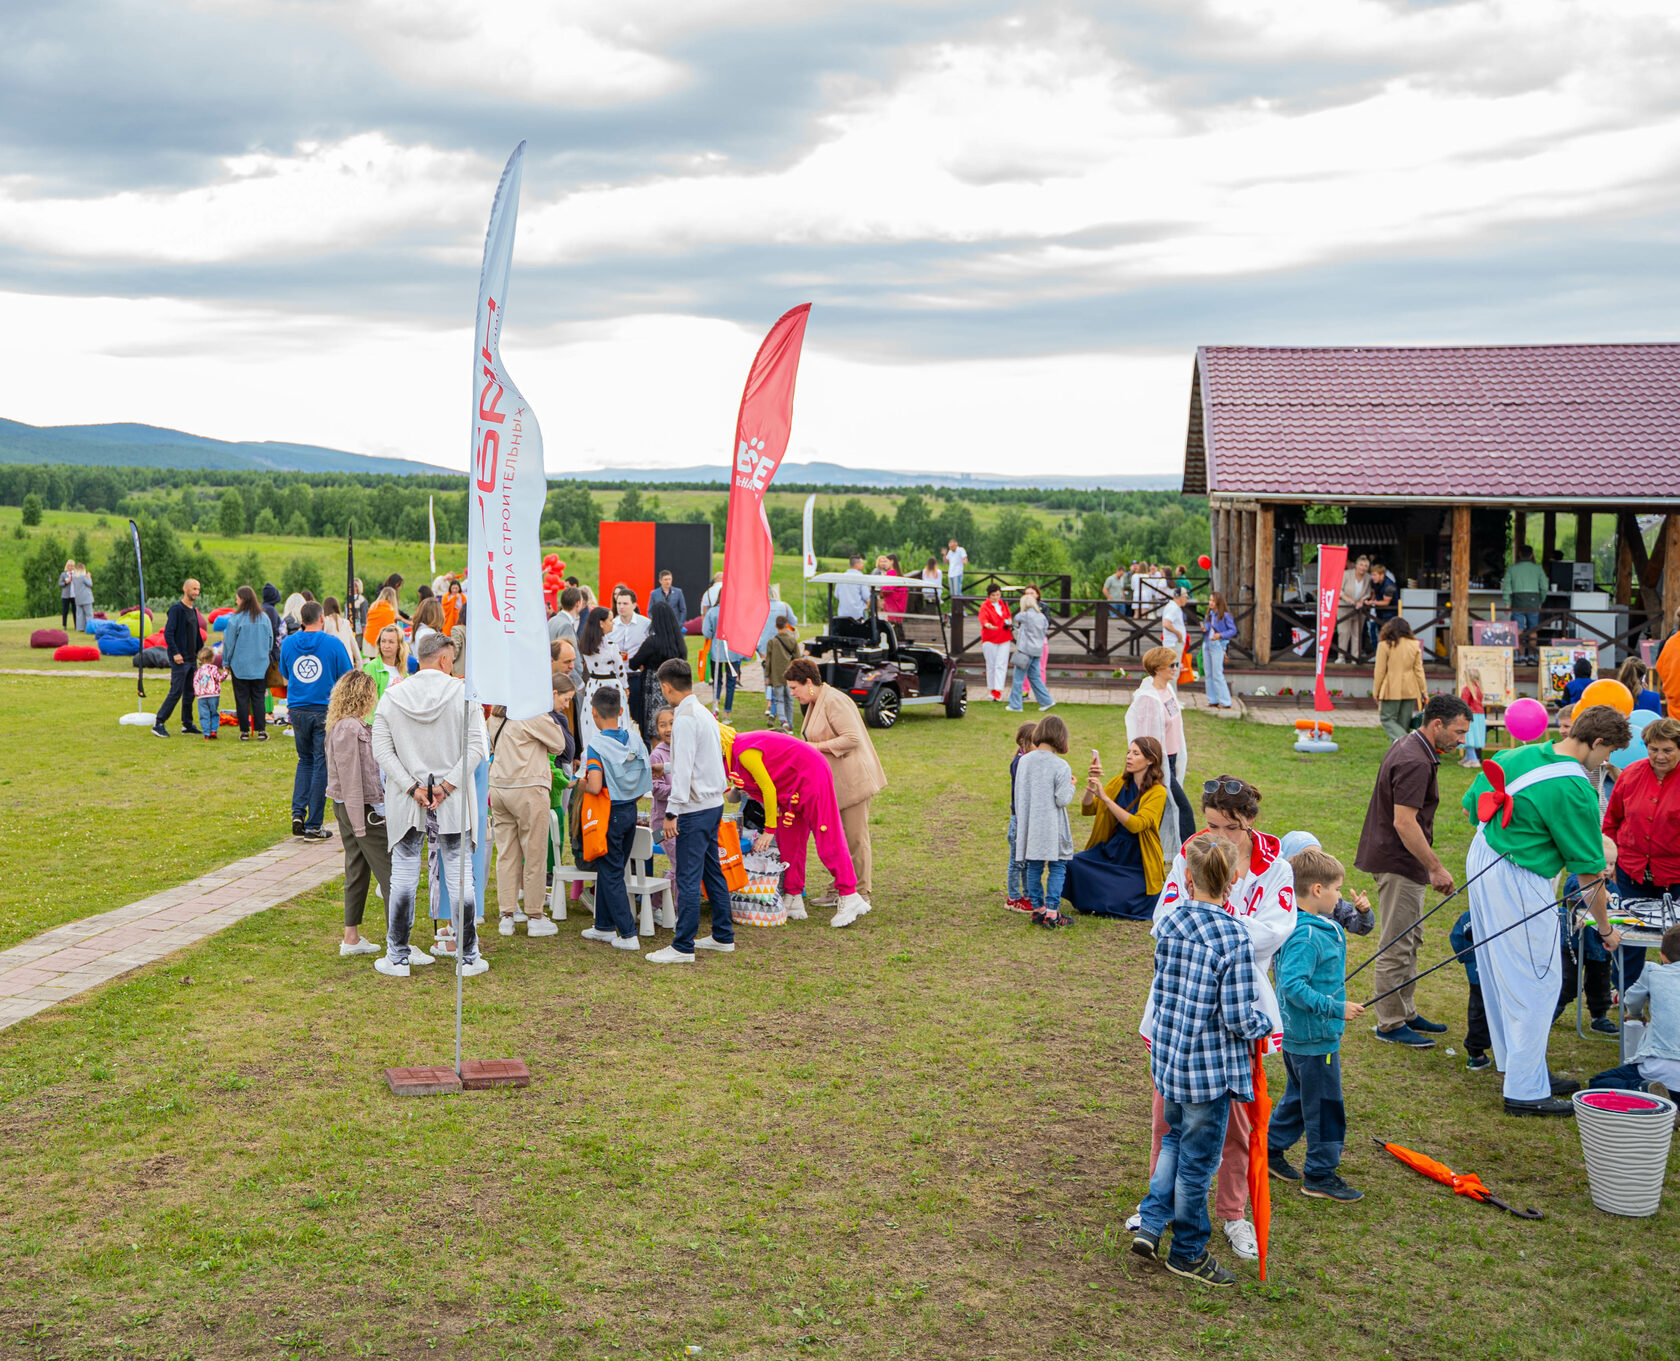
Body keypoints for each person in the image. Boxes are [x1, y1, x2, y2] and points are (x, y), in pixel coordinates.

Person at [1130, 775, 1295, 1263]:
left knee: (1238, 1126)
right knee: (1168, 1119)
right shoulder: (1193, 851)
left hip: (1237, 1011)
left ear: (1249, 822)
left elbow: (1272, 934)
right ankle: (1157, 1212)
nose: (1217, 836)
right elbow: (1161, 921)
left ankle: (1232, 1212)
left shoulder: (1276, 868)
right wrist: (1220, 920)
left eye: (1228, 826)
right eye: (1211, 825)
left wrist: (1207, 916)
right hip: (1182, 1011)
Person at [1462, 704, 1631, 1115]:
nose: (1605, 762)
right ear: (1596, 742)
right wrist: (1606, 929)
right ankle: (1524, 1090)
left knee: (1501, 968)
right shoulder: (1575, 787)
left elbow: (1472, 806)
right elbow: (1591, 874)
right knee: (1537, 979)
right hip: (1518, 875)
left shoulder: (1521, 753)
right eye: (1606, 753)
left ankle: (1525, 1065)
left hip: (1483, 856)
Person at [370, 630, 489, 978]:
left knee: (405, 876)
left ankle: (398, 955)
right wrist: (449, 784)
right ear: (445, 659)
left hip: (411, 797)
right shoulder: (464, 696)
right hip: (448, 798)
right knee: (458, 876)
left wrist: (411, 787)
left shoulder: (392, 697)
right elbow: (478, 748)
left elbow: (382, 750)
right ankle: (467, 956)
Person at [1354, 692, 1471, 1048]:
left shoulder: (1412, 744)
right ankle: (1389, 1022)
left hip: (1401, 860)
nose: (1462, 739)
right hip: (1399, 862)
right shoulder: (1415, 760)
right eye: (1458, 731)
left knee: (1411, 939)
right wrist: (1435, 868)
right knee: (1396, 943)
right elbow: (1405, 823)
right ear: (1437, 725)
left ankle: (1405, 1011)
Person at [1268, 847, 1366, 1202]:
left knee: (1298, 1097)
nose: (1341, 896)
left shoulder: (1307, 925)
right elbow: (1292, 985)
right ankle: (1320, 1174)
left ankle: (1270, 1148)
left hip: (1300, 1038)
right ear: (1318, 891)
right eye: (1338, 889)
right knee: (1325, 1107)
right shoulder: (1306, 936)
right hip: (1313, 1039)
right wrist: (1334, 1008)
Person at [724, 725, 873, 928]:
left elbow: (767, 788)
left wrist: (769, 829)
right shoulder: (727, 759)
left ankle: (849, 893)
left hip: (810, 775)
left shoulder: (744, 751)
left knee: (826, 834)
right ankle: (793, 895)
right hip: (788, 788)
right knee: (789, 841)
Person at [649, 658, 734, 964]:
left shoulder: (684, 719)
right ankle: (723, 935)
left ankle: (683, 945)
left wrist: (672, 813)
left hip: (694, 809)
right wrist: (666, 766)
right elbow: (699, 759)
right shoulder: (704, 713)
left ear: (666, 686)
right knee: (712, 871)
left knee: (687, 875)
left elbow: (684, 772)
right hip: (713, 804)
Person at [788, 656, 887, 906]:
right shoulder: (816, 700)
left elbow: (852, 738)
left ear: (808, 682)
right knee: (838, 839)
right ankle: (840, 887)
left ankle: (861, 891)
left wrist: (815, 747)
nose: (792, 694)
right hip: (836, 784)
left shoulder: (834, 701)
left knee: (855, 838)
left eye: (794, 688)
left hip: (853, 781)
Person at [1601, 714, 1680, 988]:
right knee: (1628, 939)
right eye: (1653, 749)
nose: (1660, 756)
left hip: (1675, 876)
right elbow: (1611, 821)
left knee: (1677, 941)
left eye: (1667, 750)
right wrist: (1609, 863)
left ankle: (1672, 992)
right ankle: (1624, 992)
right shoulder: (1631, 775)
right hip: (1631, 872)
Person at [487, 694, 570, 940]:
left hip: (500, 787)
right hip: (529, 786)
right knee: (534, 853)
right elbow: (559, 743)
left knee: (506, 854)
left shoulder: (495, 715)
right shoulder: (531, 714)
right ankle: (534, 915)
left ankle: (507, 915)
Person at [578, 685, 653, 952]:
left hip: (608, 812)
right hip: (631, 810)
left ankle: (628, 933)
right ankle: (603, 926)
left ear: (594, 714)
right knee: (614, 868)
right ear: (621, 711)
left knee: (609, 873)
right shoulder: (635, 739)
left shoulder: (596, 746)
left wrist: (579, 784)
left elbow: (596, 786)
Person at [323, 669, 390, 959]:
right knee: (392, 873)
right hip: (360, 808)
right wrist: (361, 824)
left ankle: (351, 938)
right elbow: (351, 777)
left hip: (352, 806)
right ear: (363, 695)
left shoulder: (345, 725)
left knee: (357, 870)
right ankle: (399, 940)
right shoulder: (349, 729)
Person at [1063, 737, 1167, 920]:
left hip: (1138, 857)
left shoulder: (1158, 792)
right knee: (1072, 863)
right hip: (1113, 849)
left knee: (1128, 892)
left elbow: (1137, 825)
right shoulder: (1119, 782)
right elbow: (1088, 809)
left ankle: (1107, 897)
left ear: (1151, 760)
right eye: (1128, 752)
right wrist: (1091, 785)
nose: (1129, 757)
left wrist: (1106, 799)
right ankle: (1103, 897)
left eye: (1136, 754)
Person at [282, 601, 354, 840]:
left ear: (301, 619)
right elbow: (347, 675)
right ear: (321, 618)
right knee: (321, 763)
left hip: (297, 708)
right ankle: (314, 825)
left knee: (304, 761)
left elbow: (286, 672)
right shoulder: (333, 644)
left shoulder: (289, 643)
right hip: (324, 707)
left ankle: (297, 812)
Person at [1586, 923, 1680, 1099]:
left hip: (1658, 1069)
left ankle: (1643, 1091)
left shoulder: (1652, 971)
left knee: (1599, 1082)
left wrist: (1636, 1014)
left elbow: (1630, 999)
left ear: (1662, 955)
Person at [1125, 646, 1194, 850]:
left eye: (1176, 664)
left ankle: (1153, 849)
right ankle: (1191, 853)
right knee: (1182, 809)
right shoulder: (1148, 698)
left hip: (1171, 759)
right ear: (1157, 668)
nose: (1176, 668)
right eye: (1171, 665)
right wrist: (1153, 767)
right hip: (1158, 763)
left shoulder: (1168, 690)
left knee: (1162, 809)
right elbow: (1146, 739)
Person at [1012, 714, 1075, 930]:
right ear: (1060, 737)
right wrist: (1072, 785)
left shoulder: (1024, 761)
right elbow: (1062, 799)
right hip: (1053, 826)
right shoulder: (1061, 766)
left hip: (1030, 824)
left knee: (1034, 867)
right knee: (1057, 867)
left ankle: (1037, 908)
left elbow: (1020, 792)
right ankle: (1052, 911)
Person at [220, 586, 275, 741]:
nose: (236, 602)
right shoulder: (264, 618)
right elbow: (270, 641)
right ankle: (261, 730)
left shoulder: (235, 620)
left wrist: (226, 662)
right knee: (258, 697)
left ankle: (244, 731)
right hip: (260, 665)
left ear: (242, 599)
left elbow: (229, 644)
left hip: (240, 665)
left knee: (242, 698)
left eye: (237, 599)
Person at [152, 577, 204, 738]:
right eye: (193, 589)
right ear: (185, 588)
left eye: (198, 589)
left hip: (191, 658)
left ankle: (187, 724)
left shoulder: (193, 610)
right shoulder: (177, 609)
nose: (196, 592)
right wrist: (175, 653)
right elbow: (169, 633)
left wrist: (202, 654)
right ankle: (159, 722)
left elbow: (196, 635)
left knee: (190, 692)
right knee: (176, 691)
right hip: (180, 659)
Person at [630, 600, 687, 740]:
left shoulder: (652, 642)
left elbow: (634, 663)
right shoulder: (678, 642)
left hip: (654, 686)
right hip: (674, 686)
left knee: (654, 724)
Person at [1449, 910, 1493, 1072]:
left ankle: (1477, 1053)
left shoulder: (1471, 913)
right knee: (1480, 1009)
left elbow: (1456, 937)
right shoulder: (1473, 915)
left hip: (1478, 969)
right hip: (1481, 970)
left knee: (1479, 1009)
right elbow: (1458, 937)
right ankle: (1476, 1054)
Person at [1372, 616, 1427, 743]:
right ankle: (1403, 750)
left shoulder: (1384, 645)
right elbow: (1419, 670)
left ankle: (1407, 743)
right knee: (1404, 723)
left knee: (1387, 718)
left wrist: (1376, 691)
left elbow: (1380, 671)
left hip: (1391, 686)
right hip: (1410, 687)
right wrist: (1424, 691)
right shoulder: (1414, 644)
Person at [1003, 722, 1038, 913]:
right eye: (1035, 743)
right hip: (1020, 819)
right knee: (1017, 862)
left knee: (1027, 860)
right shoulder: (1020, 763)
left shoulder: (1029, 760)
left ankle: (1028, 895)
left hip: (1029, 818)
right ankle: (1013, 897)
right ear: (1024, 742)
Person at [578, 606, 623, 751]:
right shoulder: (611, 647)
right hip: (611, 684)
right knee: (615, 718)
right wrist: (625, 686)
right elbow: (620, 670)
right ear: (601, 623)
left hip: (593, 686)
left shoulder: (586, 644)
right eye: (610, 620)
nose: (613, 623)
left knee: (591, 722)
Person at [1005, 585, 1053, 713]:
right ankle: (1046, 700)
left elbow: (1016, 618)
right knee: (1035, 677)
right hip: (1037, 650)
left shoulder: (1024, 615)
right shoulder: (1042, 617)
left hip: (1025, 651)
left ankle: (1015, 705)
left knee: (1018, 679)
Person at [1501, 543, 1549, 663]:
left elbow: (1506, 586)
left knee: (1518, 629)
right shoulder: (1538, 569)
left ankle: (1521, 656)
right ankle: (1532, 656)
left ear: (1519, 554)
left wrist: (1507, 602)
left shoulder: (1512, 568)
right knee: (1533, 629)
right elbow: (1544, 586)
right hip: (1534, 599)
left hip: (1518, 599)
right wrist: (1541, 600)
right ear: (1532, 555)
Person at [763, 615, 800, 732]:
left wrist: (767, 676)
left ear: (775, 625)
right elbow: (797, 658)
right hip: (790, 676)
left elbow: (768, 661)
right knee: (789, 700)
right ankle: (790, 724)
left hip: (776, 676)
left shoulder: (772, 642)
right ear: (786, 625)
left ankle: (783, 720)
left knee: (779, 699)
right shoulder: (792, 640)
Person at [978, 583, 1013, 702]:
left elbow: (1008, 616)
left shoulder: (1003, 604)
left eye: (998, 594)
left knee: (1001, 664)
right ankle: (992, 689)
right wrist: (988, 625)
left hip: (1004, 636)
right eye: (994, 595)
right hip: (990, 637)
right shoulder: (985, 606)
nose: (996, 597)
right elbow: (983, 619)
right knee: (991, 664)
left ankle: (998, 690)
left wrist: (1009, 622)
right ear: (989, 595)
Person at [1201, 592, 1236, 709]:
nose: (1210, 603)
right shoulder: (1209, 614)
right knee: (1208, 674)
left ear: (1218, 602)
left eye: (1213, 601)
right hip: (1207, 644)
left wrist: (1220, 635)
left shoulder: (1225, 615)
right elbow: (1207, 630)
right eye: (1210, 600)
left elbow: (1233, 630)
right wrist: (1204, 628)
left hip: (1217, 645)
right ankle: (1213, 700)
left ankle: (1226, 702)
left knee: (1217, 673)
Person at [1335, 554, 1371, 663]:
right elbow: (1339, 590)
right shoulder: (1346, 574)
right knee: (1344, 632)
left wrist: (1361, 601)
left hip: (1360, 610)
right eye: (1361, 565)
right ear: (1356, 565)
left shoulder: (1368, 578)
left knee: (1357, 634)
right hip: (1344, 608)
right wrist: (1349, 599)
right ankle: (1341, 657)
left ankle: (1355, 657)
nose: (1363, 568)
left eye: (1365, 566)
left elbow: (1368, 593)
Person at [1359, 561, 1400, 656]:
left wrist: (1372, 602)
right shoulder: (1375, 582)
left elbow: (1386, 602)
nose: (1373, 577)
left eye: (1375, 575)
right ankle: (1381, 654)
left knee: (1390, 635)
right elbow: (1374, 592)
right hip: (1380, 612)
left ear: (1382, 575)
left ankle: (1391, 655)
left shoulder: (1389, 586)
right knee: (1380, 634)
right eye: (1372, 575)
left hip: (1391, 613)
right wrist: (1372, 600)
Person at [362, 624, 408, 699]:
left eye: (391, 642)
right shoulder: (372, 667)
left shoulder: (402, 668)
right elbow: (367, 702)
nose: (386, 646)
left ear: (399, 645)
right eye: (383, 641)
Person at [192, 644, 226, 740]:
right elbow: (219, 679)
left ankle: (206, 733)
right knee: (214, 713)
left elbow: (195, 682)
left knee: (204, 715)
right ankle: (213, 730)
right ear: (212, 658)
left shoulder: (198, 671)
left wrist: (197, 693)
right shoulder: (214, 668)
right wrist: (226, 672)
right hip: (213, 695)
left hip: (202, 696)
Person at [320, 596, 361, 665]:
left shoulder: (325, 622)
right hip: (347, 661)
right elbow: (353, 644)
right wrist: (359, 662)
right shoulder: (346, 622)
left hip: (332, 661)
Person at [1460, 667, 1485, 769]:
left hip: (1470, 715)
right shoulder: (1479, 688)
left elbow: (1463, 704)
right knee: (1474, 737)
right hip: (1479, 715)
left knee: (1468, 737)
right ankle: (1468, 757)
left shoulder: (1467, 689)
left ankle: (1474, 759)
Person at [835, 555, 870, 622]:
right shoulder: (861, 577)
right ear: (857, 564)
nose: (863, 565)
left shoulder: (841, 577)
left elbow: (836, 595)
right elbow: (866, 596)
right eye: (861, 563)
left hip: (842, 614)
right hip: (858, 614)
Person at [1160, 587, 1189, 658]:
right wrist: (1178, 634)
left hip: (1171, 643)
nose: (1186, 600)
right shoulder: (1174, 608)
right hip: (1173, 644)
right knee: (1174, 667)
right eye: (1186, 597)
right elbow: (1166, 624)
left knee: (1172, 667)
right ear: (1181, 597)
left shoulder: (1171, 606)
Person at [877, 554, 908, 621]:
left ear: (891, 561)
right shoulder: (899, 574)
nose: (884, 564)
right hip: (899, 606)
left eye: (886, 561)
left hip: (892, 606)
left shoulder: (891, 573)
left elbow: (886, 590)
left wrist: (881, 593)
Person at [70, 562, 94, 633]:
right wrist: (89, 577)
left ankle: (80, 628)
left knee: (79, 615)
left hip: (78, 598)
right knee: (89, 614)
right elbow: (90, 584)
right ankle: (89, 628)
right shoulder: (84, 577)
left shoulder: (74, 578)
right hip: (86, 598)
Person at [59, 559, 75, 629]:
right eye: (70, 566)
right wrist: (66, 583)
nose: (71, 567)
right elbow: (60, 584)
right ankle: (64, 625)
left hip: (74, 595)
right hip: (66, 595)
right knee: (65, 610)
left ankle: (77, 625)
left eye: (72, 566)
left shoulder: (76, 574)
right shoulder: (63, 574)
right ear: (67, 566)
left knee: (75, 611)